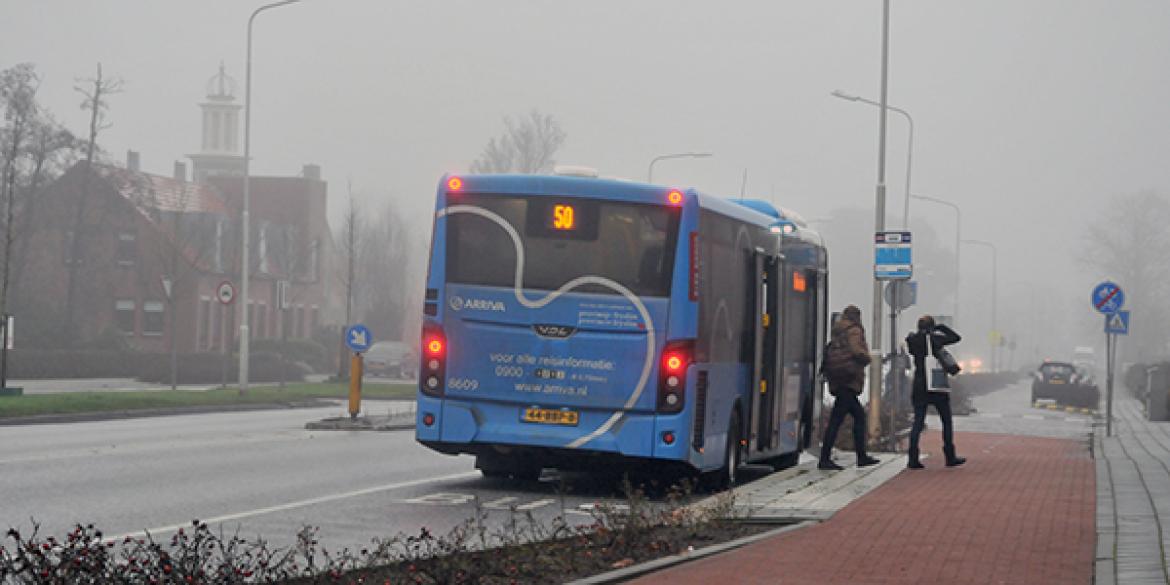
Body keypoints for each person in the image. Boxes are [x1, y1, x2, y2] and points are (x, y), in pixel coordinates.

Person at [819, 305, 880, 470]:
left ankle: (860, 455)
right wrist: (867, 358)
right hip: (848, 379)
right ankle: (828, 459)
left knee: (852, 417)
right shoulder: (854, 330)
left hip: (838, 378)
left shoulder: (838, 330)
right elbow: (856, 350)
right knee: (844, 419)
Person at [906, 315, 965, 469]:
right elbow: (956, 338)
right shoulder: (936, 339)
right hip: (937, 385)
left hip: (920, 385)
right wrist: (940, 328)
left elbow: (912, 349)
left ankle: (912, 457)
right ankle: (949, 455)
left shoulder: (913, 340)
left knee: (918, 421)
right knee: (946, 420)